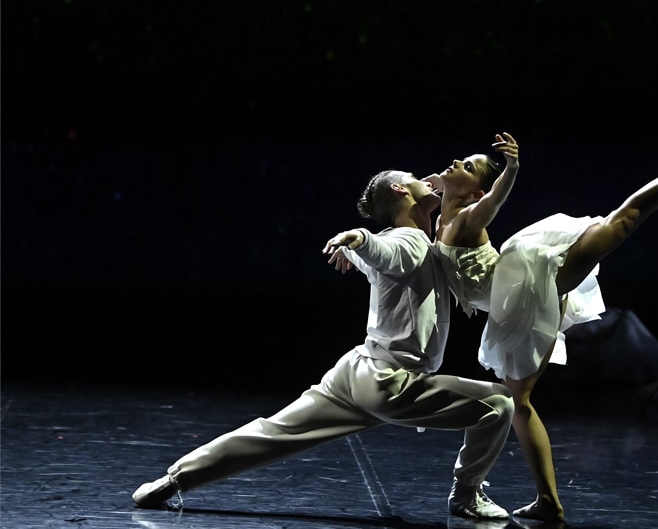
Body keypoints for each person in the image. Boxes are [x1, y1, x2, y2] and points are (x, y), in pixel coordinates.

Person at [130, 169, 515, 521]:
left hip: (356, 371)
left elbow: (378, 258)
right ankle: (466, 494)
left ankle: (172, 480)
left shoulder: (414, 240)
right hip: (389, 382)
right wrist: (358, 239)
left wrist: (355, 249)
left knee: (273, 432)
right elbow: (388, 253)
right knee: (498, 404)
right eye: (414, 177)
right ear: (400, 189)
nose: (425, 178)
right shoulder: (408, 241)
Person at [425, 122, 658, 522]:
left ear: (474, 192)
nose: (454, 162)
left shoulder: (468, 217)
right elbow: (422, 198)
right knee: (519, 404)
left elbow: (495, 200)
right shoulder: (442, 217)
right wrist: (436, 188)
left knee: (627, 217)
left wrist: (511, 169)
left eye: (466, 165)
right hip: (516, 298)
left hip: (528, 282)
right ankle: (548, 501)